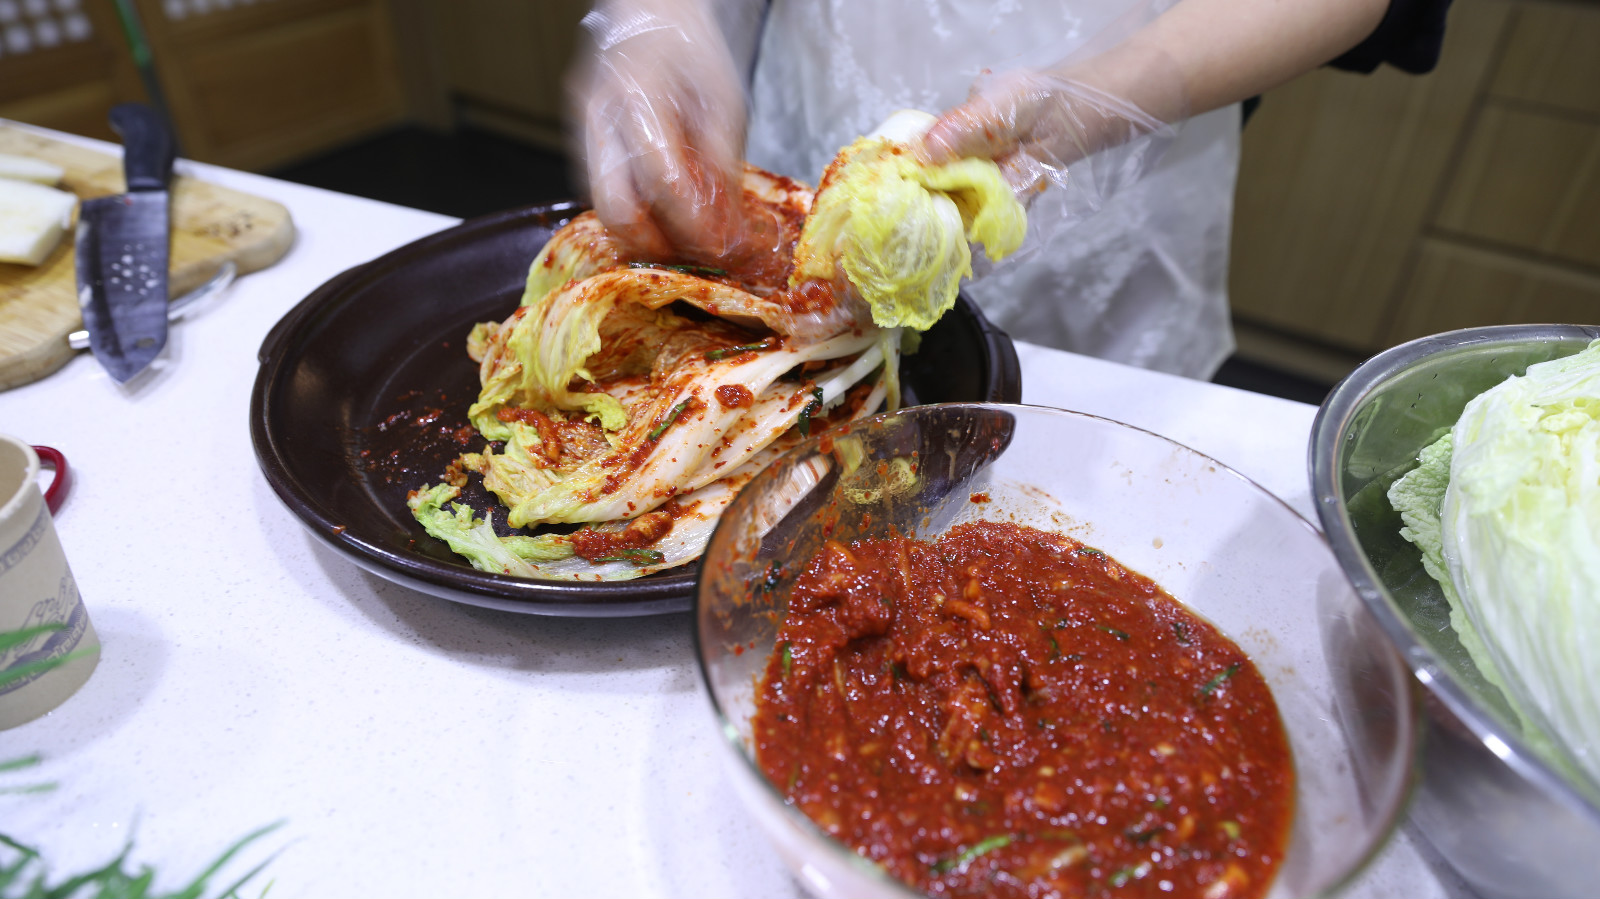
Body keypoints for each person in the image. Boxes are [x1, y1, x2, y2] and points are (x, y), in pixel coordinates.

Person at [570, 0, 1452, 379]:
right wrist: (661, 13)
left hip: (1132, 102)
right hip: (828, 63)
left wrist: (1105, 99)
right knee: (779, 365)